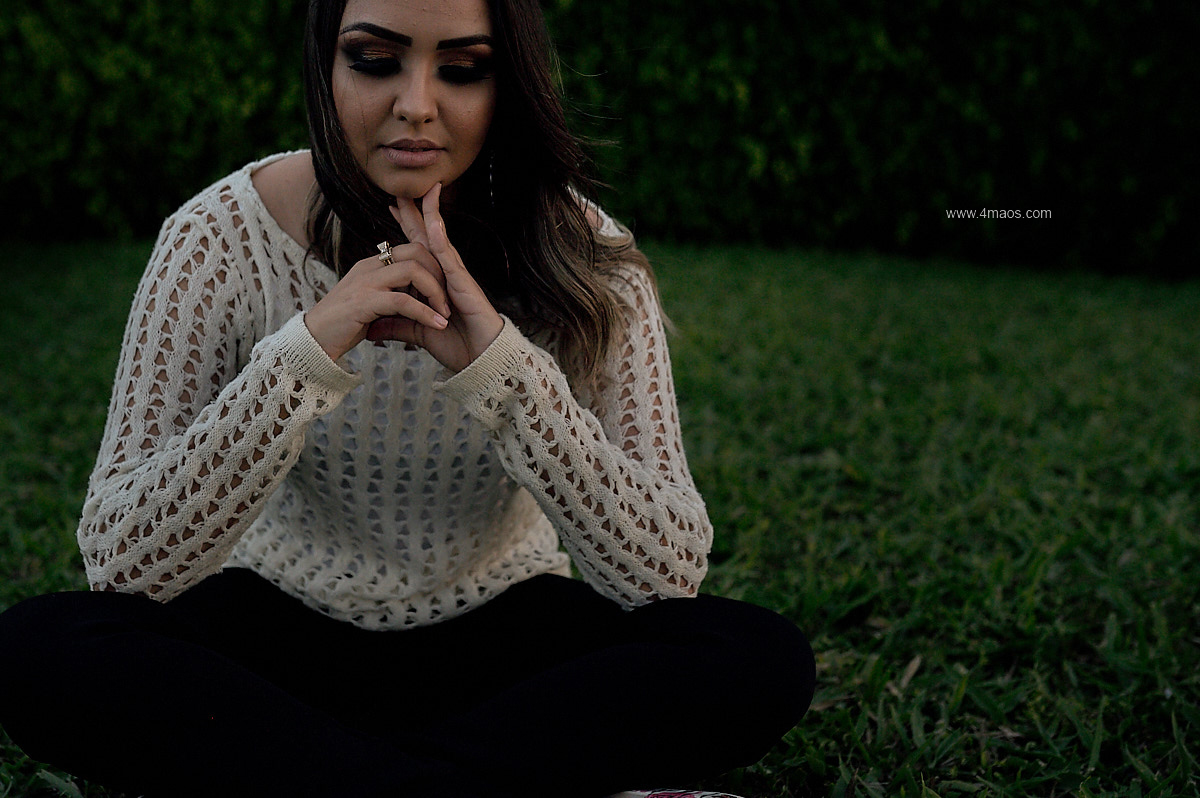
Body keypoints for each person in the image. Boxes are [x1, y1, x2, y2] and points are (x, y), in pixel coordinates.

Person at [0, 0, 815, 795]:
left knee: (755, 656)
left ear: (510, 85)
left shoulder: (591, 255)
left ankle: (331, 777)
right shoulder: (215, 238)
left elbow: (663, 574)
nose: (416, 105)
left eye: (462, 70)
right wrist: (304, 355)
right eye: (375, 60)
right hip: (274, 641)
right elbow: (122, 559)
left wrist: (503, 372)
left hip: (504, 647)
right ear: (325, 67)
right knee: (40, 648)